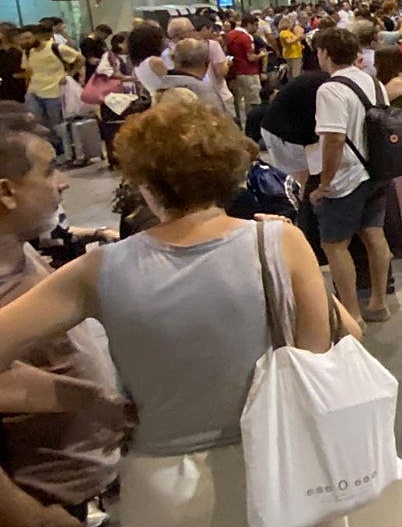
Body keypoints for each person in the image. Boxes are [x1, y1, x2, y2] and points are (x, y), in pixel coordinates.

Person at [0, 100, 360, 527]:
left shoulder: (98, 271)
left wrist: (85, 398)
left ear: (144, 183)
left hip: (165, 483)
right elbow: (323, 351)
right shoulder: (281, 242)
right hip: (281, 463)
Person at [0, 126, 128, 526]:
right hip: (45, 501)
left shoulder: (20, 248)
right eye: (49, 170)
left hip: (84, 488)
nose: (63, 182)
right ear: (7, 192)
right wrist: (31, 516)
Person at [308, 28, 395, 327]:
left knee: (335, 245)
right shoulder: (372, 81)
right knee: (373, 234)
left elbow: (333, 139)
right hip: (376, 170)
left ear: (325, 54)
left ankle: (351, 315)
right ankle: (379, 302)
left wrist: (324, 184)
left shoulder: (330, 90)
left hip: (347, 177)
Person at [260, 67, 330, 186]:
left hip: (296, 129)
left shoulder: (325, 81)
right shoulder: (328, 86)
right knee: (297, 181)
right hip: (284, 133)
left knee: (308, 176)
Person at [20, 25, 82, 157]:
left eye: (28, 38)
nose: (25, 42)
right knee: (38, 124)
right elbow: (28, 71)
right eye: (22, 39)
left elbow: (80, 59)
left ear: (37, 35)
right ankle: (50, 151)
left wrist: (69, 74)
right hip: (34, 91)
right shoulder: (28, 52)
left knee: (57, 124)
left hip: (54, 91)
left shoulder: (56, 48)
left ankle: (65, 152)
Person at [158, 38, 225, 110]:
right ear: (206, 63)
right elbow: (219, 116)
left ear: (174, 59)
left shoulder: (161, 88)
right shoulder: (205, 92)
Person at [226, 15, 265, 127]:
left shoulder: (230, 34)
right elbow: (251, 57)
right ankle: (253, 125)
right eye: (255, 25)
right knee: (253, 101)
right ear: (248, 24)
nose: (256, 28)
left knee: (240, 102)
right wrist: (261, 55)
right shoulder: (246, 37)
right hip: (249, 72)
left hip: (236, 71)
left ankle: (243, 125)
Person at [277, 14, 304, 80]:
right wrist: (298, 38)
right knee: (295, 70)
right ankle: (296, 82)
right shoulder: (284, 32)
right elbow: (289, 41)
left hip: (293, 53)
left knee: (291, 69)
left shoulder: (288, 32)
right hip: (293, 54)